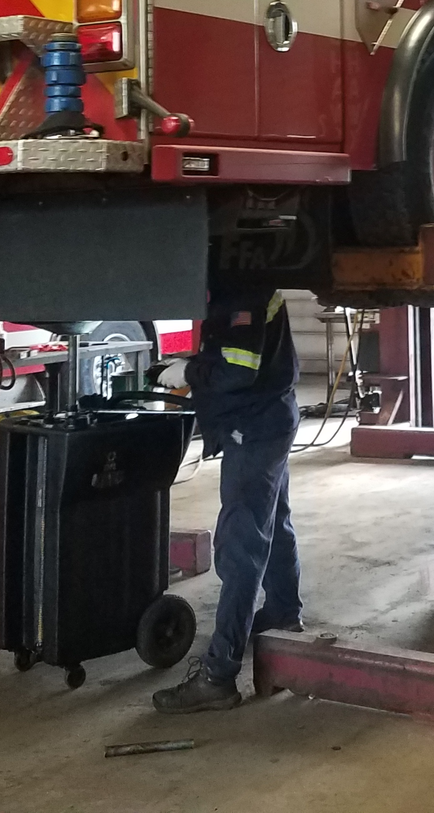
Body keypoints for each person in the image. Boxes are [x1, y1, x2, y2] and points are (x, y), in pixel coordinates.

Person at [153, 288, 304, 713]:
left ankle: (219, 676)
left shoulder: (239, 283)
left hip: (253, 426)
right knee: (273, 519)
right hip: (268, 418)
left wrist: (191, 371)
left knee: (240, 544)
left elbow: (240, 367)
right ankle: (282, 612)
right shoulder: (239, 272)